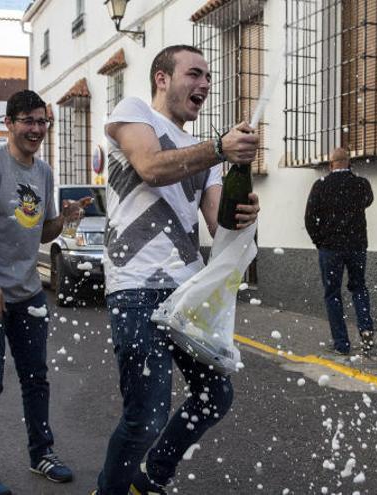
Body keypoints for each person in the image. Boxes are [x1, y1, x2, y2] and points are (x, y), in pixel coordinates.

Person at [94, 45, 260, 495]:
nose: (205, 84)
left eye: (208, 77)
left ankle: (150, 480)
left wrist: (243, 210)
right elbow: (149, 167)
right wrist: (220, 148)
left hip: (186, 294)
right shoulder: (134, 114)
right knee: (145, 416)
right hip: (136, 288)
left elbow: (216, 221)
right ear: (162, 79)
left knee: (215, 396)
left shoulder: (203, 153)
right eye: (194, 74)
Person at [0, 90, 87, 495]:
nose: (36, 129)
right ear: (8, 123)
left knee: (36, 378)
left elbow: (40, 230)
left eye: (42, 121)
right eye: (27, 120)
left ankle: (41, 453)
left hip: (27, 294)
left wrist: (65, 218)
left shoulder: (43, 173)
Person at [304, 147, 376, 356]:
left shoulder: (321, 186)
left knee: (332, 294)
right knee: (359, 287)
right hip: (357, 246)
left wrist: (320, 241)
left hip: (330, 249)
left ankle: (341, 344)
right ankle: (366, 329)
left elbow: (309, 219)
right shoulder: (361, 184)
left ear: (330, 165)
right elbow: (368, 201)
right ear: (350, 163)